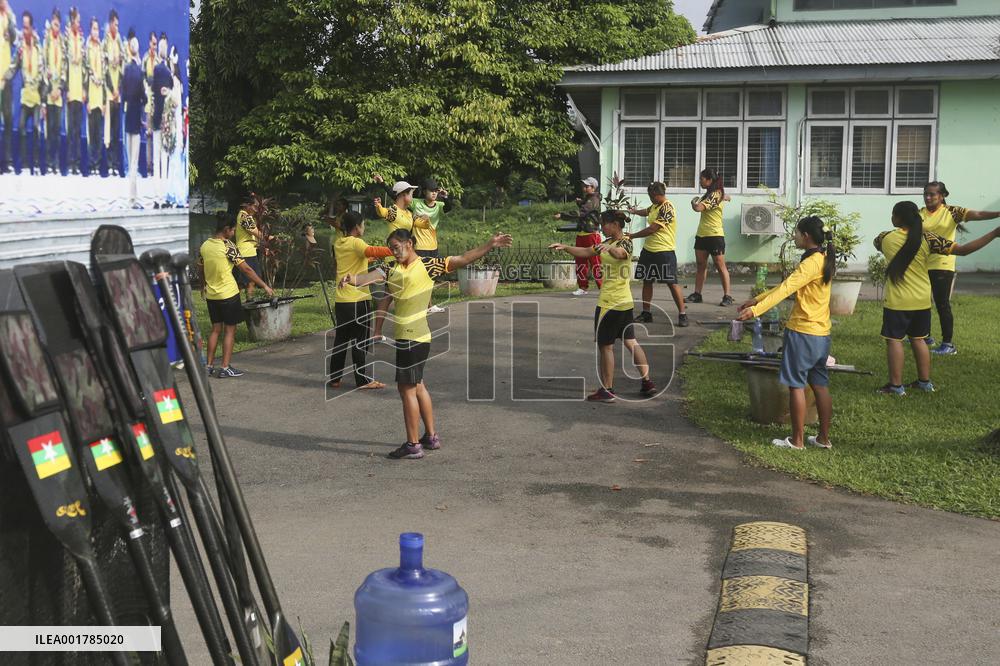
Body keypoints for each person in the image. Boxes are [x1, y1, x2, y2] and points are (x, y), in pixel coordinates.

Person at [340, 229, 513, 459]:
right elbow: (368, 282)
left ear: (409, 243)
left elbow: (463, 259)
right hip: (410, 338)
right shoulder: (391, 268)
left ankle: (413, 445)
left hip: (414, 338)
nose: (394, 251)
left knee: (406, 389)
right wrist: (350, 279)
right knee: (418, 385)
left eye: (396, 246)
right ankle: (431, 437)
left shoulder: (428, 265)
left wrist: (489, 244)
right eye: (391, 248)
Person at [872, 201, 1000, 396]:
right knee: (919, 339)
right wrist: (994, 233)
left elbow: (878, 243)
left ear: (897, 218)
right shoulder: (928, 239)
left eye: (893, 215)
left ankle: (896, 386)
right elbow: (964, 250)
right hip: (922, 299)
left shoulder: (885, 238)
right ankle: (924, 382)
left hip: (898, 301)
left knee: (894, 341)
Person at [737, 217, 835, 450]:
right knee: (819, 384)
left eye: (796, 233)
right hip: (821, 332)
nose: (794, 237)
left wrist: (755, 310)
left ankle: (797, 441)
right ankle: (823, 438)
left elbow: (786, 289)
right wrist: (757, 299)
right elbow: (787, 285)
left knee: (796, 385)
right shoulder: (822, 258)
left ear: (806, 237)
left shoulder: (810, 263)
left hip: (803, 332)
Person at [550, 210, 656, 403]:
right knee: (630, 341)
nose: (602, 227)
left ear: (615, 224)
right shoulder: (606, 242)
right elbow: (585, 252)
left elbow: (621, 254)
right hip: (624, 303)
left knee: (606, 346)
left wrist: (609, 250)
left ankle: (607, 390)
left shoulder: (624, 242)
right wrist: (565, 247)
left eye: (605, 224)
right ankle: (647, 382)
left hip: (610, 304)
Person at [918, 181, 1000, 356]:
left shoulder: (952, 212)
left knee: (942, 304)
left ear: (942, 196)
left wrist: (998, 213)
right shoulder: (919, 213)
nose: (928, 197)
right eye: (926, 194)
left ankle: (948, 344)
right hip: (921, 264)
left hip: (942, 264)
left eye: (932, 194)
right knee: (921, 302)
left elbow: (977, 213)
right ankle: (925, 337)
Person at [198, 213, 273, 378]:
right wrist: (264, 285)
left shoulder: (204, 246)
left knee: (215, 330)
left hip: (212, 296)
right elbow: (246, 269)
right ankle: (225, 367)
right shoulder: (228, 246)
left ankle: (208, 366)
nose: (233, 233)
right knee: (229, 331)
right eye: (232, 230)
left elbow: (201, 268)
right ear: (226, 230)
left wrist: (203, 286)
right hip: (229, 295)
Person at [328, 210, 394, 390]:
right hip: (358, 299)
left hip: (342, 300)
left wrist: (372, 258)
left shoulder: (339, 242)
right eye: (363, 224)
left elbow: (360, 257)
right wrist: (397, 249)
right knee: (360, 341)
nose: (363, 227)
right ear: (357, 227)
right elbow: (370, 250)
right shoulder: (357, 242)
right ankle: (362, 380)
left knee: (341, 341)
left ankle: (335, 379)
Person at [627, 181, 688, 327]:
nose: (650, 199)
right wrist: (634, 211)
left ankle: (682, 314)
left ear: (656, 195)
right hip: (649, 250)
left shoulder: (667, 208)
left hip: (664, 251)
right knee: (647, 281)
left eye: (650, 196)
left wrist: (633, 235)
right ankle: (646, 313)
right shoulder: (655, 205)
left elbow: (652, 229)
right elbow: (647, 211)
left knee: (671, 283)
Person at [686, 168, 733, 306]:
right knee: (701, 265)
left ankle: (727, 296)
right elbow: (727, 197)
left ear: (710, 180)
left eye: (702, 178)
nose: (700, 181)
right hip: (702, 234)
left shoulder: (716, 194)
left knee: (720, 265)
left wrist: (693, 203)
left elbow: (699, 208)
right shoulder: (709, 194)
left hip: (715, 235)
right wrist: (726, 197)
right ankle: (697, 294)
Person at [554, 177, 603, 296]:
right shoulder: (588, 199)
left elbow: (582, 212)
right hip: (581, 234)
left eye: (587, 186)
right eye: (584, 186)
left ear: (593, 187)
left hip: (591, 235)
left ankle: (603, 287)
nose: (584, 188)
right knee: (580, 262)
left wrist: (562, 215)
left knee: (596, 263)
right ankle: (582, 287)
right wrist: (580, 202)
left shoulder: (594, 199)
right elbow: (584, 207)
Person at [8, 10, 41, 174]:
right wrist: (3, 77)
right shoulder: (20, 49)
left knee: (35, 127)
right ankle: (20, 165)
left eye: (27, 27)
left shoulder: (38, 48)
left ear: (32, 28)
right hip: (24, 97)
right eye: (24, 27)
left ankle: (33, 163)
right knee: (20, 127)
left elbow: (43, 73)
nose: (25, 30)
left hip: (36, 99)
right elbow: (13, 67)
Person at [373, 174, 435, 253]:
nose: (412, 198)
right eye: (411, 194)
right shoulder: (394, 211)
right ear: (403, 195)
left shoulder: (409, 214)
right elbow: (382, 213)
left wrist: (426, 219)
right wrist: (378, 205)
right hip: (393, 257)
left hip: (405, 255)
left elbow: (425, 226)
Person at [121, 36, 144, 208]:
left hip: (128, 118)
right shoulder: (138, 71)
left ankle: (131, 198)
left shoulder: (126, 70)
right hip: (136, 120)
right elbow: (143, 95)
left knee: (130, 160)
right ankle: (132, 198)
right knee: (134, 161)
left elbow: (123, 93)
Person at [102, 9, 124, 176]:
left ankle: (116, 164)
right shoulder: (105, 42)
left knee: (117, 132)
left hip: (118, 95)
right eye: (115, 24)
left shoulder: (120, 43)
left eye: (118, 24)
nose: (117, 27)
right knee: (108, 132)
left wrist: (120, 89)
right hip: (110, 94)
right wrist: (112, 90)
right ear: (110, 24)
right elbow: (104, 71)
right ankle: (109, 164)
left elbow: (123, 70)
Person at [42, 7, 64, 175]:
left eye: (58, 25)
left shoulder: (62, 42)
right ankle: (48, 161)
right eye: (54, 25)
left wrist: (60, 88)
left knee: (57, 129)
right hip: (49, 94)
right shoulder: (46, 41)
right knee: (49, 128)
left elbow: (64, 68)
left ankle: (56, 161)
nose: (55, 28)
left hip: (59, 94)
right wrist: (50, 89)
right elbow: (43, 66)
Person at [151, 35, 171, 205]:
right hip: (167, 122)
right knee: (164, 159)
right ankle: (163, 195)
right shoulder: (169, 73)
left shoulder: (157, 70)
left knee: (158, 159)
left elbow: (152, 92)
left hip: (158, 119)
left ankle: (158, 196)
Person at [84, 16, 104, 175]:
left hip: (100, 98)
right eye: (94, 29)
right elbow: (85, 74)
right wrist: (87, 99)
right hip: (91, 97)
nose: (96, 31)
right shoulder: (87, 47)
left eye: (98, 29)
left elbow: (104, 75)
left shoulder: (101, 48)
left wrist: (104, 101)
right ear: (90, 30)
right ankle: (91, 164)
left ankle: (97, 164)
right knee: (91, 134)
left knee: (99, 133)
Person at [411, 177, 452, 258]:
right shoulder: (415, 203)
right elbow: (398, 198)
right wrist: (382, 183)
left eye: (436, 191)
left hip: (433, 247)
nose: (434, 193)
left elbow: (448, 208)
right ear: (424, 192)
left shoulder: (439, 205)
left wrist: (445, 197)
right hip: (418, 247)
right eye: (431, 191)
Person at [64, 7, 83, 174]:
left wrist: (84, 88)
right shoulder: (66, 38)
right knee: (70, 129)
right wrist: (66, 88)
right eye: (77, 21)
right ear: (72, 21)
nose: (79, 23)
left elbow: (83, 66)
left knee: (78, 129)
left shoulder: (81, 40)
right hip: (71, 91)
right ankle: (70, 163)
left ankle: (77, 162)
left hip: (79, 92)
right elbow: (64, 64)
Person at [233, 201, 263, 301]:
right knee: (242, 282)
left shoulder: (246, 216)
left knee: (252, 280)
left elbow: (253, 234)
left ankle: (250, 300)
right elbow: (253, 231)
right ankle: (232, 301)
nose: (256, 209)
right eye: (254, 206)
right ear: (246, 205)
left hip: (251, 252)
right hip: (245, 253)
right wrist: (270, 238)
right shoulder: (244, 216)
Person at [0, 0, 16, 173]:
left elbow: (14, 38)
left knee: (8, 119)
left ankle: (5, 160)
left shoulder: (9, 17)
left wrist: (9, 15)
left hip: (6, 77)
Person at [142, 30, 155, 175]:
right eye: (153, 44)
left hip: (157, 104)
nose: (154, 47)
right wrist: (147, 87)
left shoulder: (158, 60)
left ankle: (156, 167)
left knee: (157, 135)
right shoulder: (145, 59)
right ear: (149, 43)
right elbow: (142, 78)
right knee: (148, 135)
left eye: (156, 44)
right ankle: (148, 167)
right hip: (147, 104)